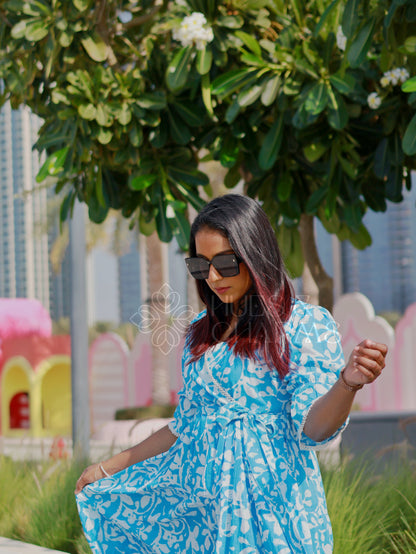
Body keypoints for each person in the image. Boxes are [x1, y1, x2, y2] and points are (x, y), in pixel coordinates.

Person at [75, 194, 387, 553]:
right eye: (199, 265)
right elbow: (183, 427)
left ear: (255, 255)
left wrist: (347, 383)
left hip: (277, 516)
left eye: (223, 263)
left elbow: (315, 430)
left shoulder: (304, 325)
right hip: (206, 518)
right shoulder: (198, 335)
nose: (210, 277)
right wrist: (106, 469)